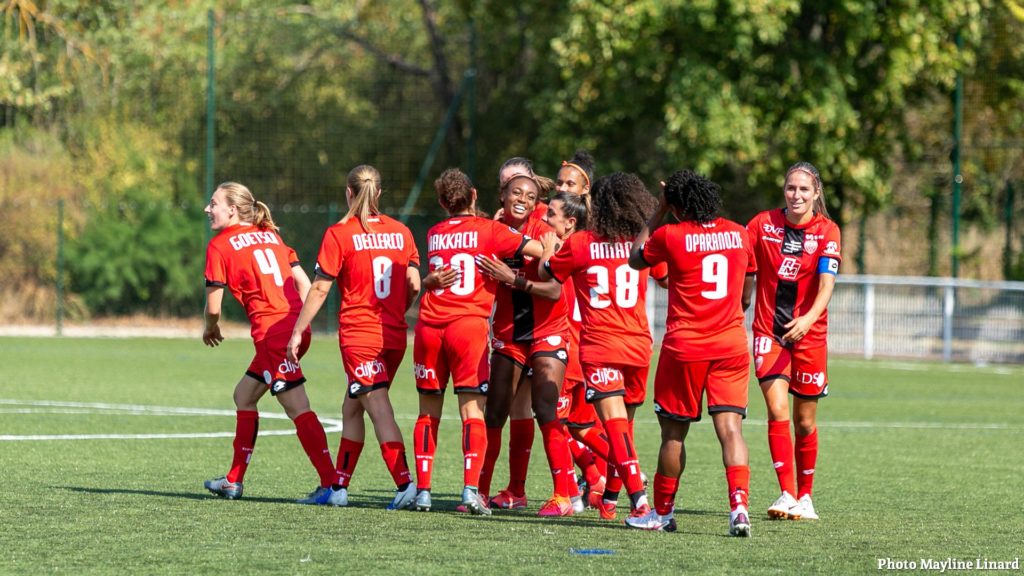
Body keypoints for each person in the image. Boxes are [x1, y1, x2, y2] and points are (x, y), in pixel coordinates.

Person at [626, 170, 757, 537]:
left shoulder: (671, 234)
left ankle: (663, 514)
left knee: (673, 436)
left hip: (684, 347)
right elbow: (746, 295)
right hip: (731, 344)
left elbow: (636, 258)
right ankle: (740, 509)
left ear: (678, 205)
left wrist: (658, 211)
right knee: (731, 429)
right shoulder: (739, 233)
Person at [410, 168, 548, 515]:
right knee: (472, 410)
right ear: (474, 196)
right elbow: (539, 248)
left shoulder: (434, 232)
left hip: (428, 327)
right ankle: (471, 491)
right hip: (467, 328)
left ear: (442, 203)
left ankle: (423, 491)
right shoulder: (491, 230)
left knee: (428, 413)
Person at [286, 165, 420, 509]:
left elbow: (319, 288)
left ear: (349, 192)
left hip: (360, 337)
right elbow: (415, 284)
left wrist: (298, 329)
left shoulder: (340, 233)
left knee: (377, 408)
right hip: (393, 336)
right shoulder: (402, 232)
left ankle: (405, 483)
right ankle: (339, 487)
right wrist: (395, 311)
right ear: (379, 193)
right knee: (352, 408)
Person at [539, 172, 667, 522]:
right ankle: (611, 497)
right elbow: (667, 277)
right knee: (623, 427)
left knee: (614, 427)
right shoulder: (641, 245)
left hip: (601, 346)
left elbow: (549, 272)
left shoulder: (581, 243)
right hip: (639, 345)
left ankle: (640, 502)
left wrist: (550, 246)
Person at [201, 182, 336, 502]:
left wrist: (210, 328)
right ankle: (233, 480)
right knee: (244, 395)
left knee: (297, 407)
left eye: (214, 203)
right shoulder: (271, 235)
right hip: (290, 331)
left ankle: (332, 485)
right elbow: (303, 283)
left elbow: (213, 308)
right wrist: (299, 327)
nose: (208, 209)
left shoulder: (220, 245)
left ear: (232, 210)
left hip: (274, 336)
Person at [475, 174, 576, 517]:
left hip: (548, 329)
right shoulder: (491, 228)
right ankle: (484, 492)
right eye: (515, 192)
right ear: (502, 194)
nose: (522, 199)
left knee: (546, 409)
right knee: (495, 414)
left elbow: (554, 290)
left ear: (537, 203)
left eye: (530, 196)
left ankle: (563, 496)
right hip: (507, 333)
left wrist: (512, 278)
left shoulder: (544, 232)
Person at [747, 161, 841, 521]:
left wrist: (808, 319)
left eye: (804, 189)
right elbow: (737, 254)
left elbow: (827, 282)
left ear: (816, 193)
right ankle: (786, 493)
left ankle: (806, 496)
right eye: (791, 188)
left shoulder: (828, 230)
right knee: (776, 411)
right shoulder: (762, 224)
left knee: (804, 422)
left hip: (810, 335)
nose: (796, 195)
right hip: (769, 333)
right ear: (783, 191)